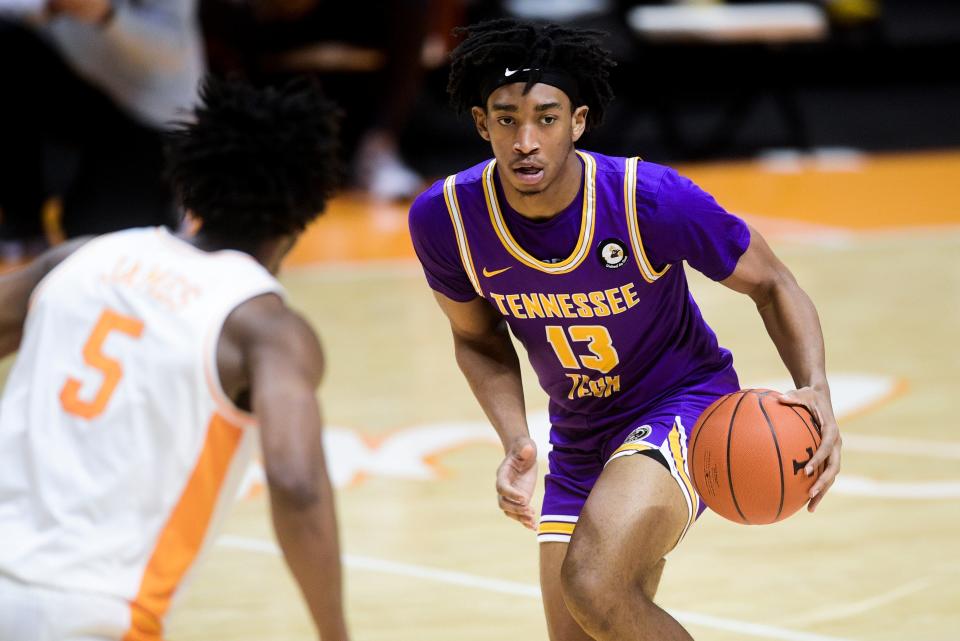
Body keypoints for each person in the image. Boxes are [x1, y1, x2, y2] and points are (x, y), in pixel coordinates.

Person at [408, 19, 841, 641]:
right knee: (585, 626)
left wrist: (816, 387)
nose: (525, 140)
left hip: (683, 404)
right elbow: (476, 337)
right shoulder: (445, 218)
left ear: (578, 121)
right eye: (506, 119)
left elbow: (772, 282)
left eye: (546, 118)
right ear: (482, 124)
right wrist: (514, 439)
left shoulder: (648, 198)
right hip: (581, 432)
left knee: (593, 582)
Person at [0, 77, 350, 641]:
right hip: (91, 612)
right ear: (306, 210)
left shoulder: (77, 258)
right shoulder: (265, 329)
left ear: (186, 185)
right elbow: (295, 481)